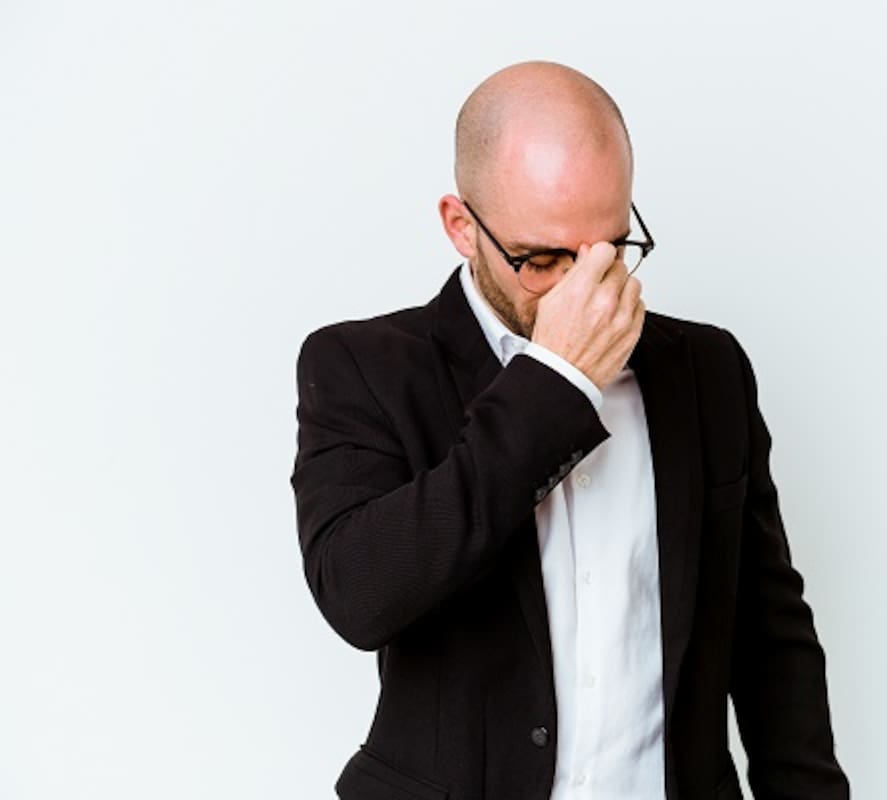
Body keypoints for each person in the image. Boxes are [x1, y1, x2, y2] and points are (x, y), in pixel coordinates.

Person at [290, 60, 850, 800]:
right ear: (462, 226)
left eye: (611, 248)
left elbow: (771, 634)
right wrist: (555, 385)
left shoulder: (707, 370)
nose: (588, 285)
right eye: (545, 259)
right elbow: (361, 596)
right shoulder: (363, 366)